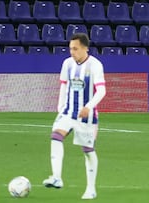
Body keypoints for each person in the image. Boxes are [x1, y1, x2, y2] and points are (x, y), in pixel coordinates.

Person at [42, 33, 106, 200]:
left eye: (75, 48)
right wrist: (60, 106)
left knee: (88, 151)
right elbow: (64, 85)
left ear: (85, 48)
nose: (72, 52)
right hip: (68, 112)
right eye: (70, 48)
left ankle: (91, 188)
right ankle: (57, 177)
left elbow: (101, 91)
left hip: (87, 116)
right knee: (56, 136)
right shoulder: (67, 64)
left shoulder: (95, 65)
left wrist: (88, 106)